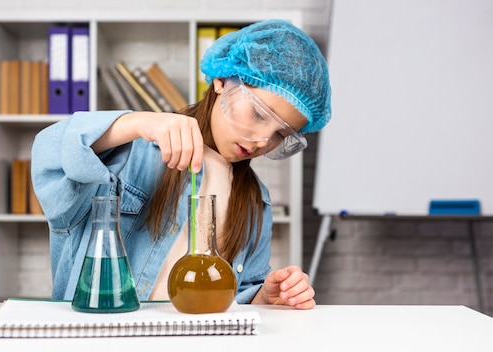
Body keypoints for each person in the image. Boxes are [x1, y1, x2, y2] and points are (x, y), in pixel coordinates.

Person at [31, 19, 331, 310]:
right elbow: (49, 156)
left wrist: (265, 296)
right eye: (258, 114)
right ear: (222, 81)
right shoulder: (130, 153)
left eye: (281, 134)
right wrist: (136, 122)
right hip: (102, 335)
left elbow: (238, 292)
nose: (262, 142)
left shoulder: (256, 202)